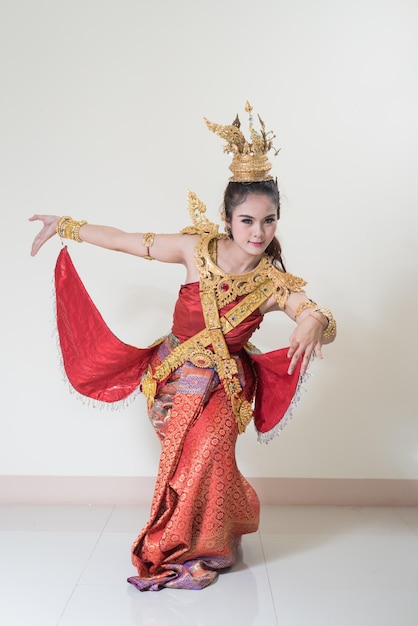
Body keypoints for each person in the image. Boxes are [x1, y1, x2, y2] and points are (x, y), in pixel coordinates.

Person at [29, 102, 336, 591]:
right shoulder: (196, 250)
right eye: (248, 220)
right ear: (227, 217)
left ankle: (204, 546)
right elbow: (125, 240)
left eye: (269, 221)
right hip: (171, 378)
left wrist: (314, 322)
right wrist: (67, 225)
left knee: (210, 447)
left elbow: (311, 309)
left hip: (222, 387)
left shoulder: (272, 283)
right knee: (193, 460)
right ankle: (216, 527)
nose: (258, 233)